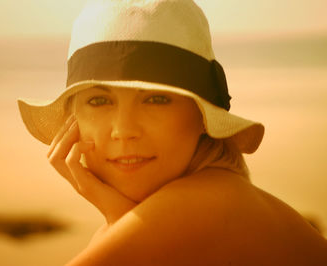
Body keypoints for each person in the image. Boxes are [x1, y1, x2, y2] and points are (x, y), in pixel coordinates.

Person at [18, 0, 327, 265]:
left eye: (156, 99)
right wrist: (120, 219)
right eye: (99, 100)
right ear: (74, 121)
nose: (123, 131)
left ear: (201, 116)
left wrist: (119, 223)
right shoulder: (208, 195)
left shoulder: (200, 204)